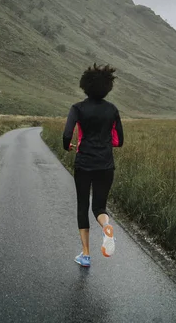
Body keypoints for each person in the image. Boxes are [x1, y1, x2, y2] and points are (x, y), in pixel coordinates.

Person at [62, 64, 124, 267]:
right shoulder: (112, 110)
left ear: (85, 86)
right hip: (106, 165)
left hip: (84, 164)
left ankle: (86, 255)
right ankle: (106, 226)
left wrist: (67, 146)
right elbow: (119, 141)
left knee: (83, 206)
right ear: (107, 87)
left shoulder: (77, 108)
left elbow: (66, 134)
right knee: (99, 206)